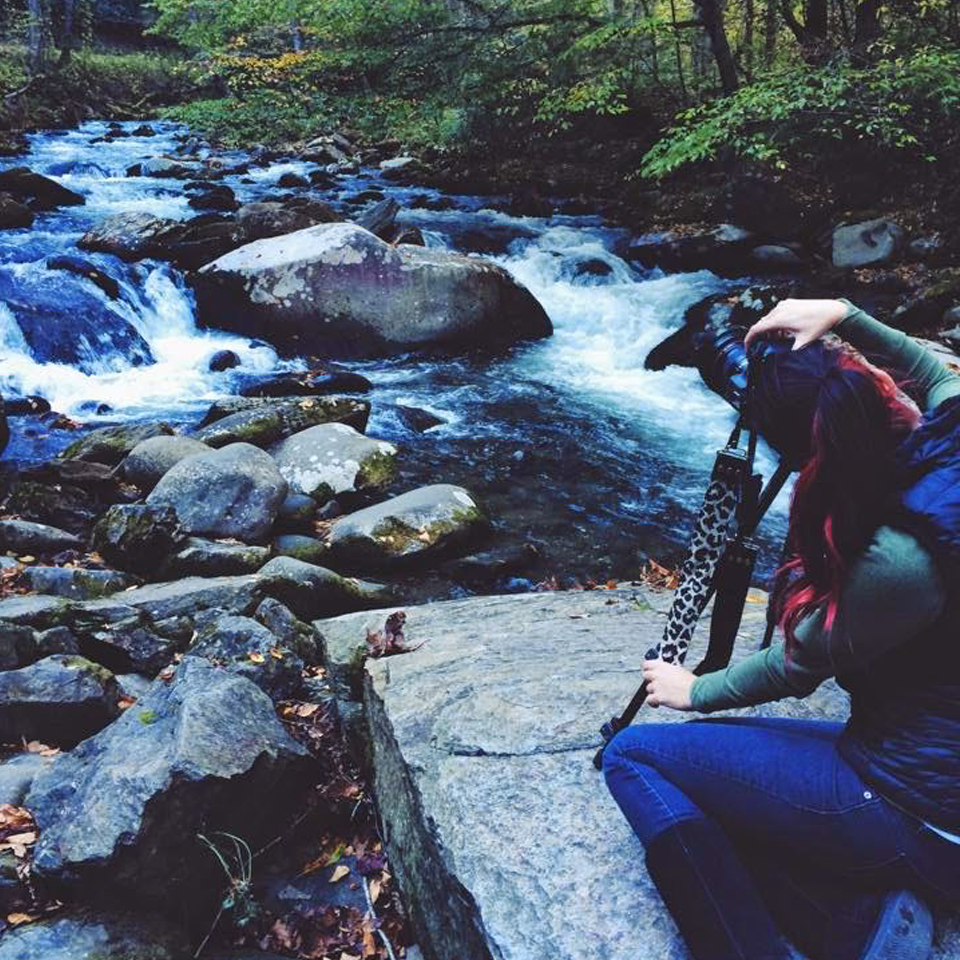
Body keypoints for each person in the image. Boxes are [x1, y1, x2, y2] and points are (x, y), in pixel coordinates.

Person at [603, 298, 960, 960]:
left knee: (637, 759)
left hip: (928, 818)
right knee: (735, 785)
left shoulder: (899, 560)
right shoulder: (948, 440)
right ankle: (854, 925)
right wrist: (847, 314)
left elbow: (796, 664)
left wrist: (692, 690)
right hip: (932, 769)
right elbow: (936, 374)